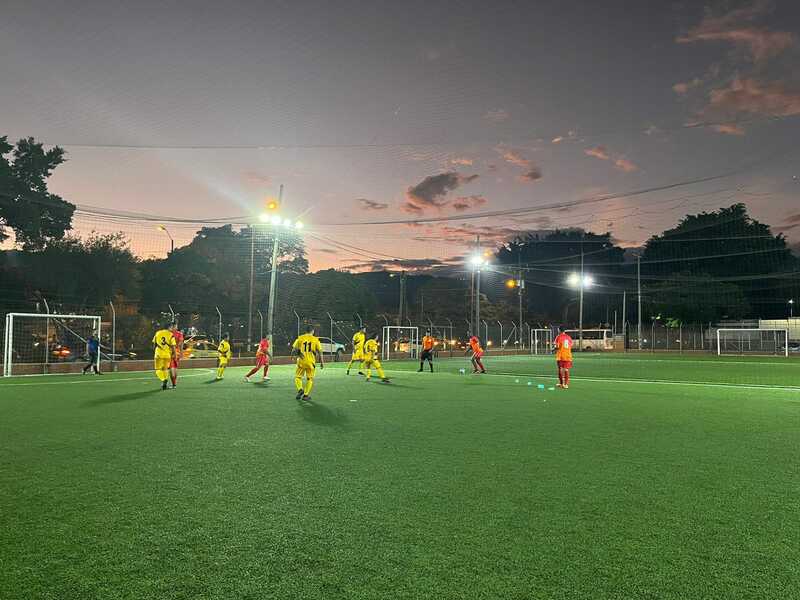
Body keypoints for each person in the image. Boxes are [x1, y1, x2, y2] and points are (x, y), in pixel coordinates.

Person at [292, 325, 324, 401]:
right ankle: (306, 395)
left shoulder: (300, 338)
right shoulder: (315, 339)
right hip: (311, 362)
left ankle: (300, 389)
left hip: (301, 361)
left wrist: (293, 357)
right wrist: (322, 362)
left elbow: (294, 349)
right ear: (312, 331)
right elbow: (320, 351)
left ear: (306, 331)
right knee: (310, 378)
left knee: (298, 377)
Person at [152, 325, 176, 390]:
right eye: (171, 327)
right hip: (167, 355)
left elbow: (154, 344)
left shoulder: (158, 333)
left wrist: (154, 351)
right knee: (165, 369)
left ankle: (163, 380)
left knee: (158, 369)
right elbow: (173, 346)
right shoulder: (171, 335)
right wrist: (174, 354)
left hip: (158, 354)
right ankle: (165, 380)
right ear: (169, 327)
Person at [169, 323, 184, 388]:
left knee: (171, 368)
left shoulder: (169, 334)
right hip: (177, 353)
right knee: (175, 367)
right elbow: (181, 343)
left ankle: (173, 384)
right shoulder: (180, 334)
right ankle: (174, 383)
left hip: (170, 353)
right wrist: (181, 353)